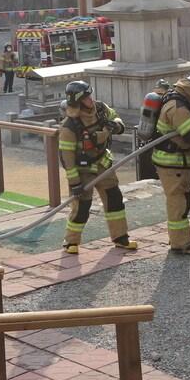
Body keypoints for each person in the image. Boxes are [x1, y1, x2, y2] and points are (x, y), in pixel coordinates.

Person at [57, 80, 138, 255]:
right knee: (82, 207)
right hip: (82, 170)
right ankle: (71, 242)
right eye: (86, 97)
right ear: (78, 101)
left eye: (90, 96)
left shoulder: (100, 109)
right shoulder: (69, 126)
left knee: (115, 199)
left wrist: (116, 125)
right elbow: (66, 158)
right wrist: (75, 183)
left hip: (103, 164)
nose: (91, 100)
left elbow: (115, 116)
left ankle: (121, 238)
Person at [152, 69, 190, 256]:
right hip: (172, 162)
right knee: (177, 202)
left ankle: (183, 236)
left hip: (179, 161)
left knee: (184, 199)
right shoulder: (177, 106)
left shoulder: (183, 99)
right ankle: (180, 244)